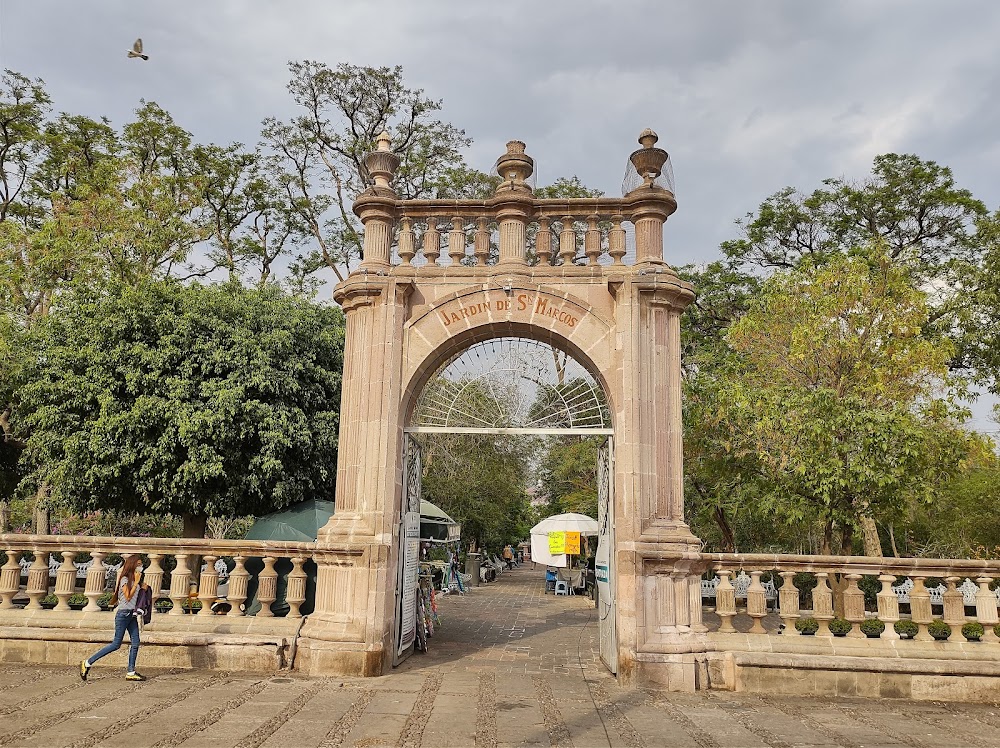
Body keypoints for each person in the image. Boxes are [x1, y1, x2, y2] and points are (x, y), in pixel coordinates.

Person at [80, 554, 148, 682]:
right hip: (123, 614)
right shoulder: (125, 579)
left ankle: (131, 671)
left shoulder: (135, 580)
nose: (141, 567)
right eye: (138, 565)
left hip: (131, 615)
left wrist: (143, 588)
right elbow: (127, 597)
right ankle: (87, 662)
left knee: (136, 642)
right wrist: (137, 584)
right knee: (116, 644)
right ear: (132, 565)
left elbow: (136, 599)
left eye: (141, 565)